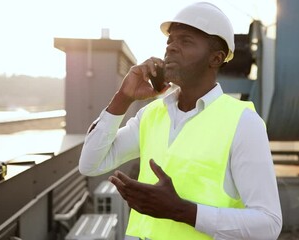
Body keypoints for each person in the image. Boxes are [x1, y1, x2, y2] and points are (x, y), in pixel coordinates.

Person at [79, 2, 282, 239]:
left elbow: (268, 225)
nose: (171, 49)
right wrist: (123, 98)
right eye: (170, 41)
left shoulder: (243, 123)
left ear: (215, 58)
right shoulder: (152, 115)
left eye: (185, 41)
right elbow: (90, 164)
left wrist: (183, 211)